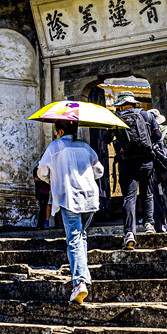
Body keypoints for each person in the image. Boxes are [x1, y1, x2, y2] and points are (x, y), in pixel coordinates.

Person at [37, 118, 104, 304]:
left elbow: (41, 170)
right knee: (81, 235)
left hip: (69, 196)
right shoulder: (85, 147)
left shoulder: (55, 147)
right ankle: (83, 273)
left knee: (74, 237)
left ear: (59, 131)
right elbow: (99, 170)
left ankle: (80, 282)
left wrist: (51, 176)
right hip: (90, 196)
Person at [108, 91, 162, 250]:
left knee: (129, 197)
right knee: (147, 193)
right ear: (133, 103)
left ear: (121, 105)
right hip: (146, 160)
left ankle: (129, 232)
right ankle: (149, 224)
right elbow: (158, 135)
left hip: (127, 163)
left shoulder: (115, 119)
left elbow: (106, 139)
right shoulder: (146, 115)